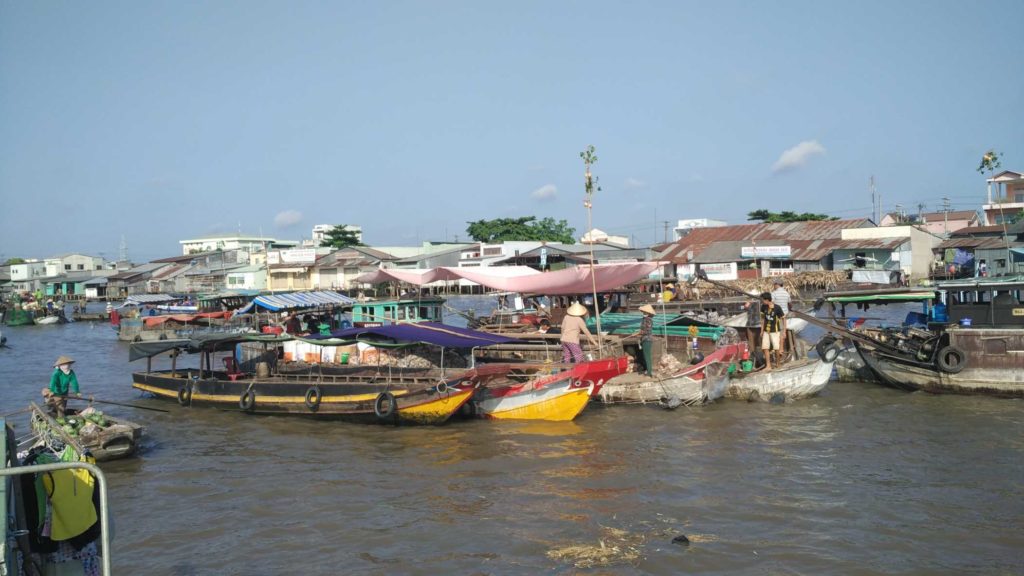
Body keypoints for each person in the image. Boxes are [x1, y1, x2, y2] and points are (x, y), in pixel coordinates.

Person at [759, 292, 786, 371]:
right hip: (766, 332)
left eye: (762, 300)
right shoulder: (763, 307)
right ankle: (768, 366)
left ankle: (778, 364)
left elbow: (784, 318)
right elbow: (763, 319)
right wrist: (761, 331)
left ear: (767, 300)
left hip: (775, 331)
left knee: (776, 348)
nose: (762, 301)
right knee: (765, 348)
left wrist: (784, 331)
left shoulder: (777, 308)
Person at [771, 278, 791, 355]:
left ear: (777, 285)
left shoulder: (774, 293)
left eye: (774, 284)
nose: (773, 286)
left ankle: (779, 349)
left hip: (777, 315)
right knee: (782, 332)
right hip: (784, 315)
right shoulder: (786, 293)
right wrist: (789, 309)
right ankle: (781, 349)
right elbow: (790, 304)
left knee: (776, 332)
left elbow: (771, 304)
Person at [638, 304, 656, 376]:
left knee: (647, 356)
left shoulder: (648, 320)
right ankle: (648, 371)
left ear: (647, 312)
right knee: (646, 356)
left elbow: (648, 330)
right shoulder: (645, 319)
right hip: (645, 339)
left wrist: (640, 332)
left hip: (647, 339)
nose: (643, 312)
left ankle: (649, 372)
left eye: (644, 311)